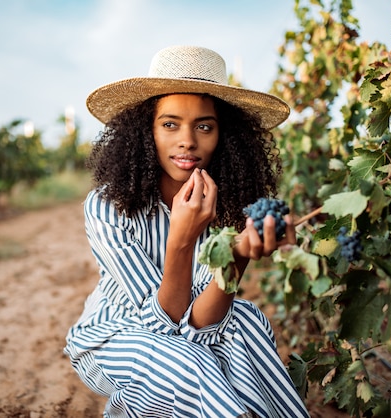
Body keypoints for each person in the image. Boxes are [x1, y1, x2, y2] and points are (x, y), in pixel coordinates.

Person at [64, 45, 309, 418]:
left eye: (205, 126)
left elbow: (199, 325)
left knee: (247, 321)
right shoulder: (107, 206)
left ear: (225, 136)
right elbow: (163, 324)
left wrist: (239, 255)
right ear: (145, 132)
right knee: (191, 362)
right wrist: (181, 238)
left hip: (187, 333)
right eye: (170, 124)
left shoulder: (227, 206)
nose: (188, 140)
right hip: (111, 338)